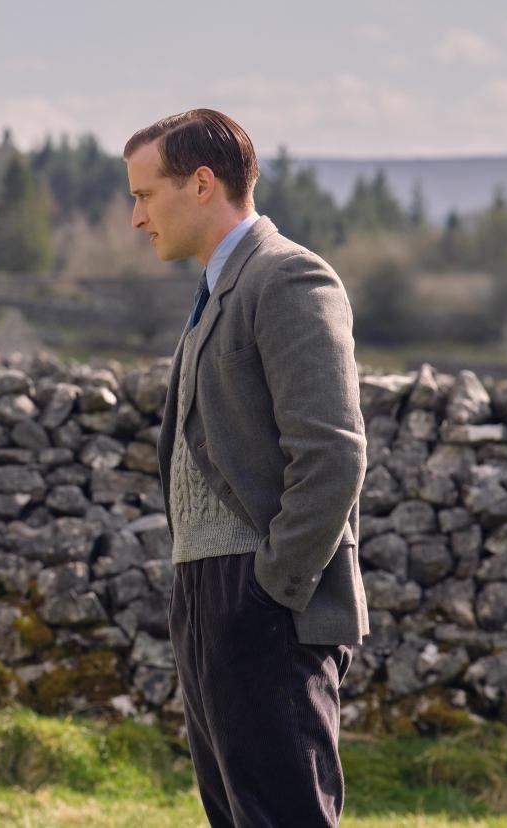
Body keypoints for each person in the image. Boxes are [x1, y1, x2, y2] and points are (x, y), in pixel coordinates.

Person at [125, 110, 368, 827]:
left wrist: (271, 589)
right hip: (204, 589)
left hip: (260, 597)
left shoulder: (288, 277)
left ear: (202, 184)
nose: (136, 217)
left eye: (145, 194)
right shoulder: (216, 290)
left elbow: (332, 452)